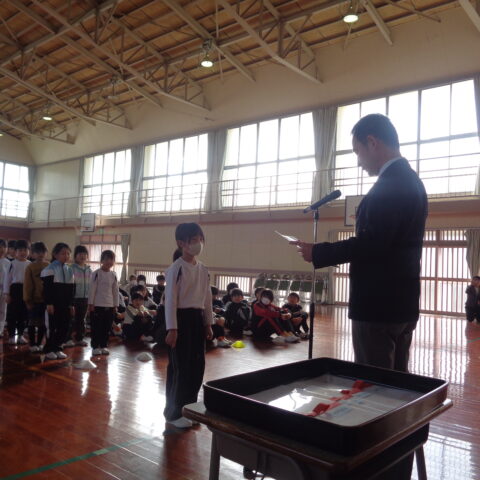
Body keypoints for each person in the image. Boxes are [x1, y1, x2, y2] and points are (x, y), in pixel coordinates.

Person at [292, 113, 428, 374]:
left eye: (357, 151)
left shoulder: (389, 186)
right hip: (402, 302)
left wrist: (318, 252)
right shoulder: (412, 181)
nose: (358, 162)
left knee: (374, 385)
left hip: (378, 306)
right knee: (398, 384)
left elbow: (371, 244)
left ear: (372, 142)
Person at [164, 222, 213, 429]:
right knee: (181, 367)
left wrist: (208, 323)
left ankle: (190, 408)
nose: (198, 244)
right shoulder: (176, 268)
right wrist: (172, 328)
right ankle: (174, 413)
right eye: (193, 240)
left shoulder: (203, 269)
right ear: (181, 243)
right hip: (181, 319)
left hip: (197, 318)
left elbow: (207, 299)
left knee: (197, 366)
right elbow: (170, 301)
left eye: (200, 239)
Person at [41, 243, 75, 360]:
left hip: (65, 305)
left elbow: (72, 290)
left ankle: (58, 348)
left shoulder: (69, 270)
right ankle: (49, 349)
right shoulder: (49, 269)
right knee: (52, 327)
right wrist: (49, 303)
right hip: (53, 305)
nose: (66, 256)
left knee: (64, 326)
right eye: (63, 253)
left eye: (68, 253)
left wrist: (71, 304)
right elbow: (47, 289)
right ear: (55, 255)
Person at [88, 250, 119, 357]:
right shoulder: (96, 273)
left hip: (110, 305)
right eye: (106, 259)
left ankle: (104, 345)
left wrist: (115, 305)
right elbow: (92, 289)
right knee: (96, 327)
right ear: (102, 260)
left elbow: (115, 291)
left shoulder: (114, 274)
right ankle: (95, 346)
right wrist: (91, 304)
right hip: (97, 305)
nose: (109, 261)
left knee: (107, 327)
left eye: (111, 259)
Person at [23, 242, 49, 352]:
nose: (40, 254)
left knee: (43, 323)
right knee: (32, 323)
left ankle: (39, 343)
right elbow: (27, 285)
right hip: (34, 300)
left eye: (42, 252)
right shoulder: (30, 267)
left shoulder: (49, 266)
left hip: (46, 301)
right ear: (32, 254)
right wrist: (27, 300)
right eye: (37, 252)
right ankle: (32, 344)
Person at [4, 239, 30, 345]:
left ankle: (20, 335)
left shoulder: (30, 264)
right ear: (15, 252)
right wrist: (6, 294)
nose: (23, 252)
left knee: (24, 314)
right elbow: (7, 280)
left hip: (26, 290)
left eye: (25, 250)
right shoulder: (12, 264)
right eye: (20, 250)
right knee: (12, 314)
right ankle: (11, 336)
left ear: (29, 251)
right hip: (15, 290)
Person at [65, 245, 92, 347]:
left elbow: (91, 286)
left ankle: (79, 338)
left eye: (84, 254)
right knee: (71, 319)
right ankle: (67, 339)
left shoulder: (89, 270)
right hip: (74, 298)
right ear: (75, 256)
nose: (82, 256)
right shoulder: (70, 269)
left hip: (85, 298)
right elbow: (68, 286)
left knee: (81, 320)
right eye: (80, 254)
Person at [0, 239, 10, 337]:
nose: (2, 249)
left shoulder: (8, 263)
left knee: (3, 310)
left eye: (4, 247)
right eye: (0, 247)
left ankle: (0, 329)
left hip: (4, 289)